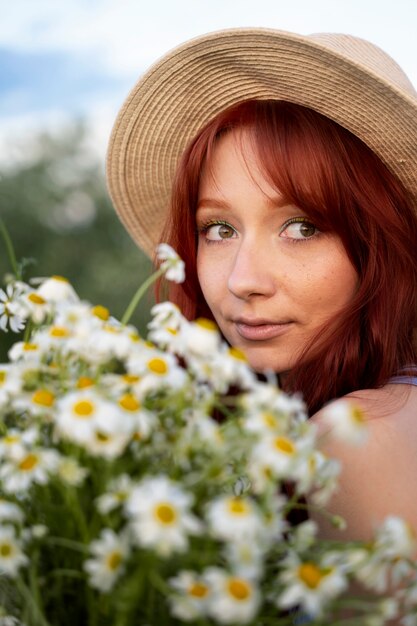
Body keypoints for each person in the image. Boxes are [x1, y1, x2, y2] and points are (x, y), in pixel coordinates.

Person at [106, 28, 417, 541]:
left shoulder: (359, 440)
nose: (243, 280)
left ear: (380, 244)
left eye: (302, 227)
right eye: (219, 230)